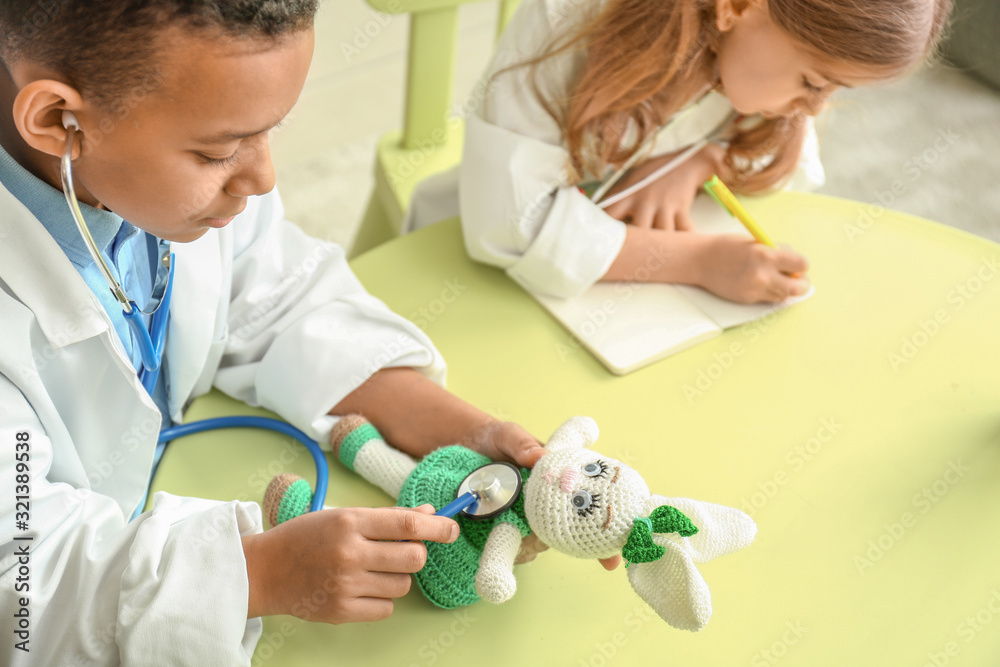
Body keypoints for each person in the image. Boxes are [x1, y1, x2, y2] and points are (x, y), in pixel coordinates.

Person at [0, 2, 616, 664]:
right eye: (220, 150)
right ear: (56, 120)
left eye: (268, 133)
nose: (262, 177)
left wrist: (467, 430)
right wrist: (261, 574)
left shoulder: (150, 179)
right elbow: (23, 587)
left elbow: (278, 295)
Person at [447, 0, 952, 303]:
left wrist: (699, 159)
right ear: (738, 6)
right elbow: (506, 223)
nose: (816, 108)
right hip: (464, 265)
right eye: (813, 82)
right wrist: (701, 262)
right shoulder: (569, 17)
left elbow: (790, 170)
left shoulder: (755, 52)